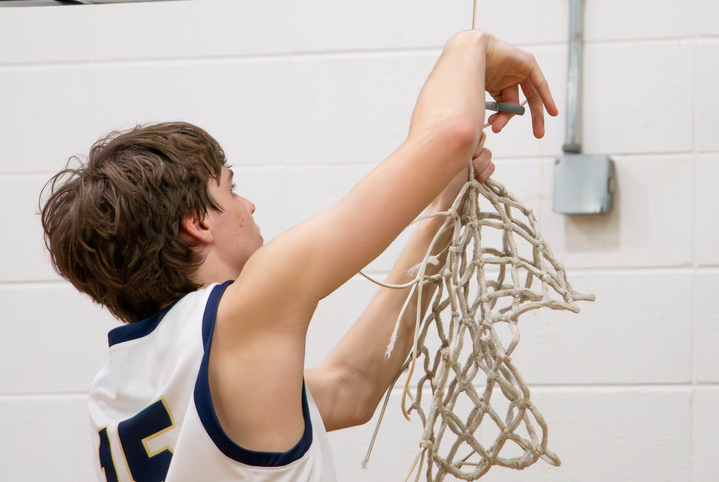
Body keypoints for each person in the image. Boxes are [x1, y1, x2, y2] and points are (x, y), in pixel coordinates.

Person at [40, 29, 556, 482]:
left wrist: (442, 209)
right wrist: (469, 45)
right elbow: (451, 134)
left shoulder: (118, 387)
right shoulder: (242, 310)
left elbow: (352, 388)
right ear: (197, 224)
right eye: (231, 188)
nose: (248, 204)